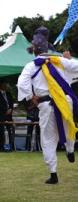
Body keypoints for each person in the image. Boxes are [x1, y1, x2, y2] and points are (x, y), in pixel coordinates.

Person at [17, 26, 78, 184]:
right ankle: (70, 149)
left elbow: (22, 84)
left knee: (48, 138)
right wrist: (69, 60)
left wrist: (31, 97)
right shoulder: (60, 61)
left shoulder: (31, 66)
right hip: (65, 102)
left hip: (46, 105)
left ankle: (53, 173)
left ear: (35, 51)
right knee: (69, 126)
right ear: (48, 48)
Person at [0, 79, 14, 151]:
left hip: (9, 115)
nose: (5, 86)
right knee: (1, 130)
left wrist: (10, 109)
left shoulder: (8, 93)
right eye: (4, 85)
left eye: (6, 85)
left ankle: (11, 145)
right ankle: (1, 146)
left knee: (10, 130)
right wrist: (5, 111)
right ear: (0, 85)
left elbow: (11, 102)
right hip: (1, 114)